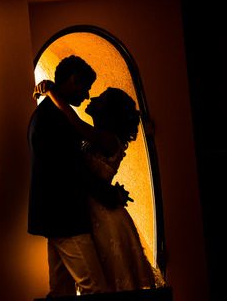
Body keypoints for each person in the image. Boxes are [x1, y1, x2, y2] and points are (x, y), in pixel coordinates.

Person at [34, 80, 165, 292]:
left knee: (100, 283)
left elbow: (76, 124)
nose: (91, 98)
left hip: (102, 216)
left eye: (100, 99)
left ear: (108, 112)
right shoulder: (101, 138)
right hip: (93, 210)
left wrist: (52, 92)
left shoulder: (109, 139)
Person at [27, 55, 109, 297]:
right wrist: (106, 194)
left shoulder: (47, 113)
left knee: (61, 290)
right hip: (66, 215)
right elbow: (69, 169)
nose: (86, 96)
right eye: (86, 87)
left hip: (55, 215)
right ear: (73, 80)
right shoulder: (56, 118)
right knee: (95, 288)